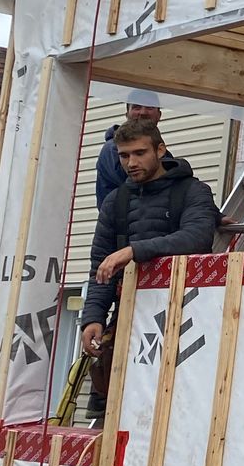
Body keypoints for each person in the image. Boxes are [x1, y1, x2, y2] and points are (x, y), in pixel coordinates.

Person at [77, 118, 220, 371]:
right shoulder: (115, 201)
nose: (131, 163)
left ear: (160, 150)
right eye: (124, 156)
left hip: (188, 316)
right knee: (111, 401)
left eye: (140, 153)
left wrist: (134, 251)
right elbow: (101, 268)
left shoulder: (193, 191)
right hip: (129, 317)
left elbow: (196, 238)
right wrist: (93, 318)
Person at [94, 101, 163, 208]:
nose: (143, 112)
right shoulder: (112, 149)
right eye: (137, 107)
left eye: (149, 107)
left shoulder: (164, 153)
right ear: (127, 114)